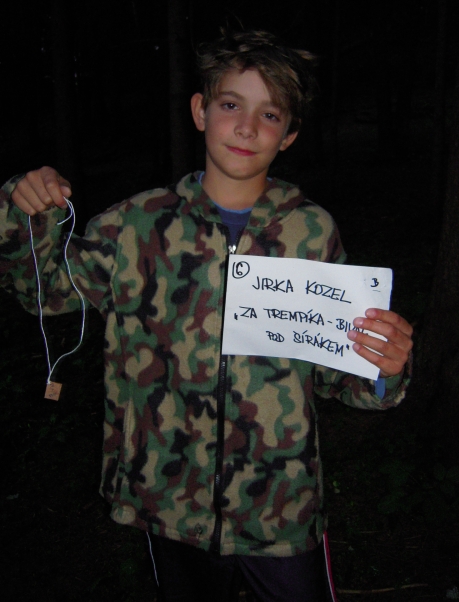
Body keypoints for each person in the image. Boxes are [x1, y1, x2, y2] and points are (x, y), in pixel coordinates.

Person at [0, 30, 413, 602]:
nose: (247, 127)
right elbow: (44, 292)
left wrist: (382, 367)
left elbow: (334, 371)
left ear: (289, 134)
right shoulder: (136, 225)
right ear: (200, 111)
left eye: (270, 114)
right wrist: (26, 210)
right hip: (170, 498)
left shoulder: (311, 232)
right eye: (230, 105)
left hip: (279, 508)